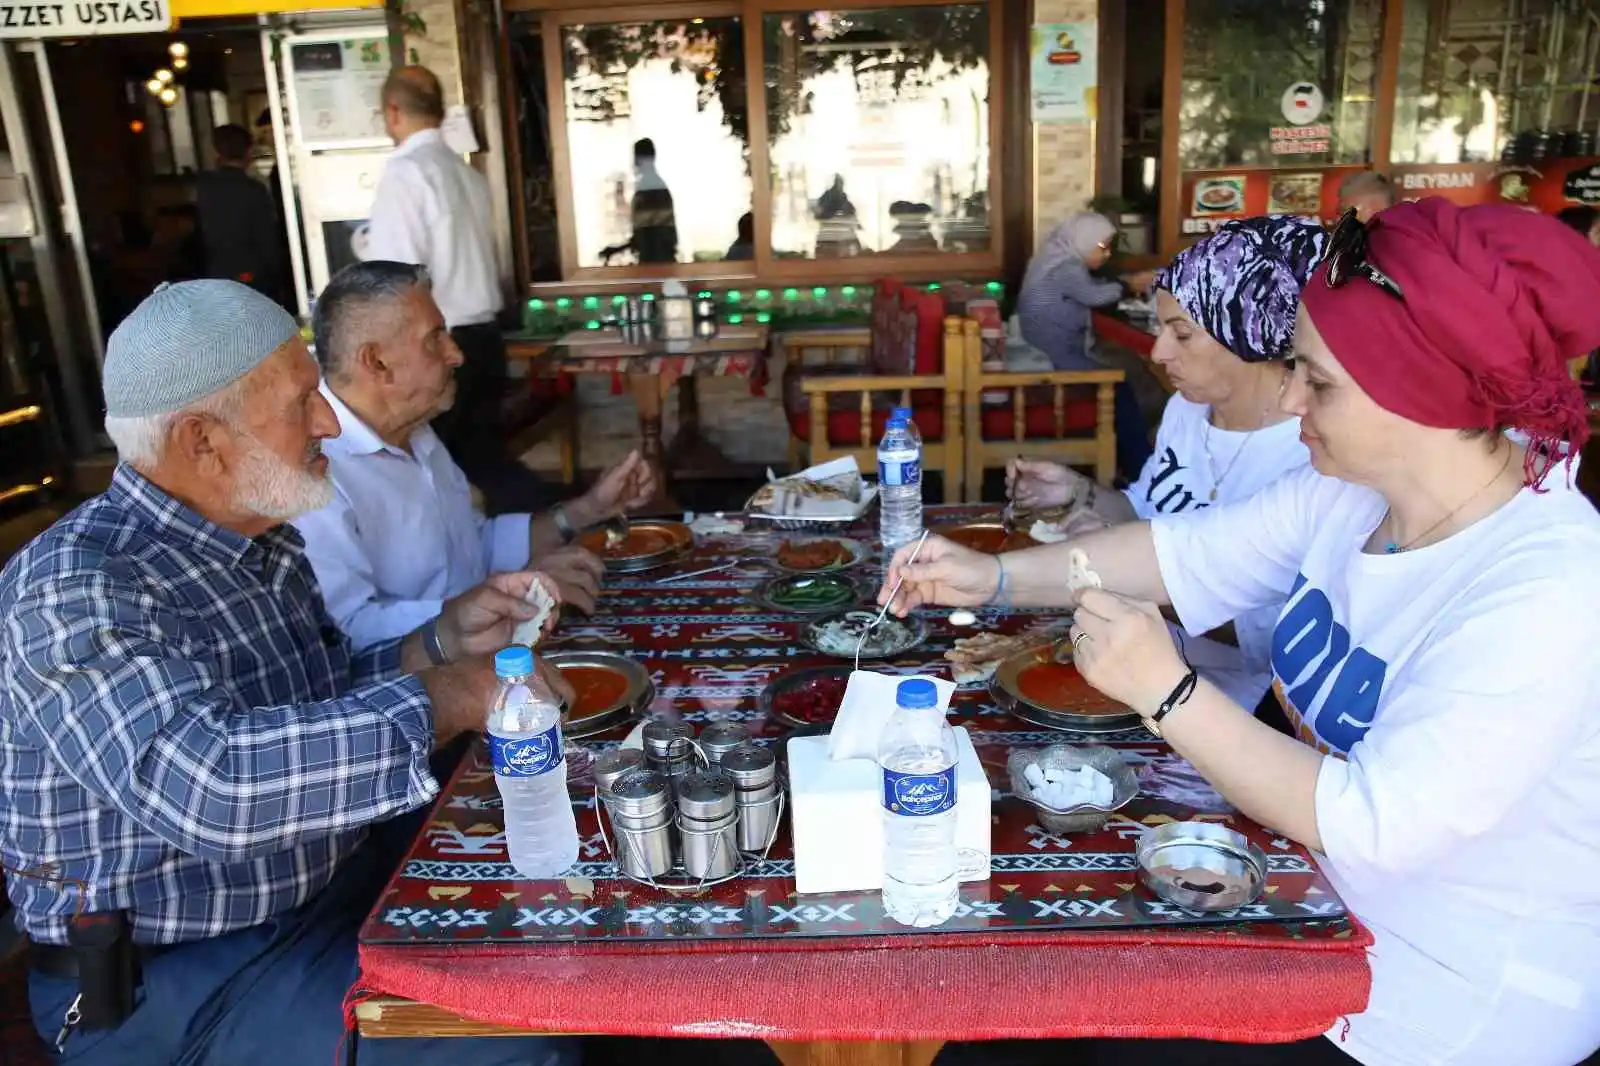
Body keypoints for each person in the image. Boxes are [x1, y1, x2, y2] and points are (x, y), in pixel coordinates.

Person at [886, 200, 1600, 1066]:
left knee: (1035, 1020)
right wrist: (993, 578)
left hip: (1425, 1011)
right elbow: (1186, 554)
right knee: (1012, 979)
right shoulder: (1355, 490)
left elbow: (1374, 820)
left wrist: (1168, 691)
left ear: (1417, 391)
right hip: (1309, 908)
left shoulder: (1548, 586)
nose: (1291, 394)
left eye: (1317, 379)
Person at [0, 280, 577, 1066]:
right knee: (513, 1032)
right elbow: (212, 783)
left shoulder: (259, 537)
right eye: (304, 400)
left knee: (571, 893)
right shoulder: (75, 587)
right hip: (177, 981)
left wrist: (442, 640)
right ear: (202, 439)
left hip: (322, 893)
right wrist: (451, 694)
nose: (330, 422)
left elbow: (324, 690)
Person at [1008, 215, 1327, 710]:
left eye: (1181, 334)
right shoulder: (1188, 410)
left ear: (1249, 333)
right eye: (1160, 330)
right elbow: (1147, 514)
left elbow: (1275, 638)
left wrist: (1134, 583)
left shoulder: (1313, 449)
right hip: (1130, 675)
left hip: (1237, 711)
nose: (1157, 353)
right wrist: (1077, 493)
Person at [294, 260, 657, 650]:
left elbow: (474, 547)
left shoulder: (416, 433)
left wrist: (588, 509)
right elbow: (349, 631)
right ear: (376, 362)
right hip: (417, 695)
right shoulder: (318, 472)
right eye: (435, 338)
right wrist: (503, 600)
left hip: (490, 654)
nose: (456, 354)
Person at [365, 66, 511, 503]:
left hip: (441, 345)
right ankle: (519, 556)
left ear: (392, 112)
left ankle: (490, 563)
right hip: (486, 338)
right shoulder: (467, 174)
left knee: (443, 478)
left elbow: (396, 279)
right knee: (480, 461)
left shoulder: (407, 174)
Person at [1016, 212, 1158, 479]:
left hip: (1042, 352)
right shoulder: (1066, 267)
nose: (1106, 254)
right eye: (1101, 246)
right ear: (1082, 241)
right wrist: (1129, 285)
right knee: (1124, 387)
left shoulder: (1051, 258)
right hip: (1052, 359)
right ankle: (1141, 470)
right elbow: (1094, 295)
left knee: (1129, 373)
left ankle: (1129, 463)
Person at [195, 124, 288, 306]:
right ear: (249, 151)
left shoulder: (204, 187)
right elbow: (267, 238)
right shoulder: (254, 189)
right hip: (253, 271)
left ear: (217, 152)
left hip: (217, 270)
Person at [600, 138, 679, 265]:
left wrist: (617, 249)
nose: (634, 162)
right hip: (660, 263)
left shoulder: (650, 188)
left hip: (656, 265)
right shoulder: (654, 186)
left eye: (636, 157)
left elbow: (650, 236)